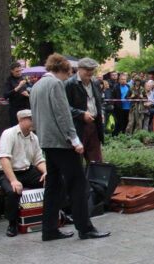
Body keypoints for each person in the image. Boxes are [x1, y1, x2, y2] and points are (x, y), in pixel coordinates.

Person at [30, 53, 110, 242]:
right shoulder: (56, 84)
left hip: (47, 141)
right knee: (78, 185)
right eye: (68, 73)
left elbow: (37, 115)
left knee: (53, 186)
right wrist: (75, 140)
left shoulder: (37, 85)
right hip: (62, 142)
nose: (68, 77)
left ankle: (49, 229)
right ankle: (85, 228)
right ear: (63, 70)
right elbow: (63, 114)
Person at [0, 110, 47, 237]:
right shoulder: (9, 134)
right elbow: (4, 158)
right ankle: (12, 223)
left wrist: (46, 172)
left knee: (53, 181)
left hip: (27, 171)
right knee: (13, 192)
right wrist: (13, 180)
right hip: (7, 172)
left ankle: (57, 213)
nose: (34, 122)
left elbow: (38, 160)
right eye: (31, 119)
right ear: (21, 121)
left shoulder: (34, 137)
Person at [64, 58, 105, 163]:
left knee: (96, 159)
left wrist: (101, 113)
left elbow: (100, 102)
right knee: (76, 159)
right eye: (87, 69)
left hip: (94, 125)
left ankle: (94, 179)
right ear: (79, 69)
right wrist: (81, 114)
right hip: (77, 126)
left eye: (92, 69)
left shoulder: (95, 82)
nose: (90, 72)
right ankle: (79, 179)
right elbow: (64, 107)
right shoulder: (69, 84)